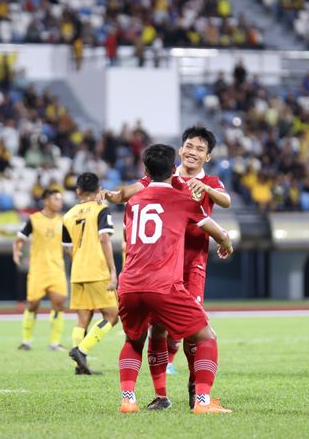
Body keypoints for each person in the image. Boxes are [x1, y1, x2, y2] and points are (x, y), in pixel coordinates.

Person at [102, 125, 230, 406]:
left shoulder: (207, 181)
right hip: (162, 268)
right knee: (160, 330)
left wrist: (205, 187)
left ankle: (195, 389)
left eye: (200, 149)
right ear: (180, 151)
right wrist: (116, 194)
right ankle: (163, 395)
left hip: (188, 265)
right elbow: (133, 189)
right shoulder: (168, 183)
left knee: (186, 335)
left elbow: (226, 201)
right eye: (189, 146)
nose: (193, 152)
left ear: (207, 157)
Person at [64, 173, 119, 374]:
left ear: (78, 191)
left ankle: (79, 367)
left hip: (77, 270)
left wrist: (80, 261)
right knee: (112, 316)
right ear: (99, 189)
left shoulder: (67, 215)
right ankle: (81, 350)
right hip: (97, 269)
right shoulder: (101, 209)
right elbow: (104, 238)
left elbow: (67, 248)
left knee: (82, 318)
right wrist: (113, 270)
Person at [13, 189, 67, 351]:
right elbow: (20, 238)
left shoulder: (63, 221)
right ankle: (26, 341)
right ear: (46, 201)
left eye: (60, 199)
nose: (60, 202)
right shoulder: (33, 219)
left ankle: (55, 343)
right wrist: (17, 251)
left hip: (56, 269)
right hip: (38, 269)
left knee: (59, 303)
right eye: (56, 199)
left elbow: (70, 245)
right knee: (32, 304)